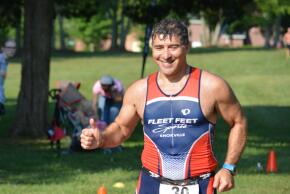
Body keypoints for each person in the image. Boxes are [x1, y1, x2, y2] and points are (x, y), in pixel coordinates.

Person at [81, 18, 247, 194]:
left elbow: (239, 122)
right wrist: (101, 139)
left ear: (187, 47)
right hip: (151, 185)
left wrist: (229, 167)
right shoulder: (139, 90)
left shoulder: (212, 86)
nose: (166, 55)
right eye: (159, 48)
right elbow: (121, 129)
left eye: (173, 47)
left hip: (201, 185)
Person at [0, 40, 16, 116]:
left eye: (14, 48)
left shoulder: (5, 61)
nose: (12, 50)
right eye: (9, 47)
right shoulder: (0, 59)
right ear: (3, 49)